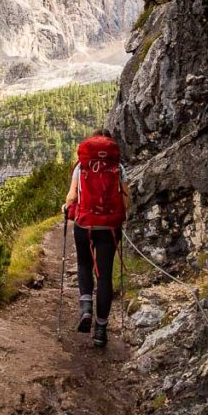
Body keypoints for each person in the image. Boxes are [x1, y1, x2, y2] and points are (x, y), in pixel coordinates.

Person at [62, 129, 131, 348]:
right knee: (104, 275)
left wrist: (67, 206)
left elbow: (72, 196)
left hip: (85, 224)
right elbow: (126, 199)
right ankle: (101, 330)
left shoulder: (81, 167)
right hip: (110, 226)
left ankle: (85, 309)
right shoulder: (118, 167)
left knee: (83, 263)